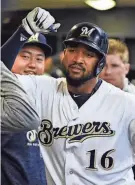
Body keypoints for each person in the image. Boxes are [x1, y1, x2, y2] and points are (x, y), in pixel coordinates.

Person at [1, 7, 135, 185]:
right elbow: (2, 73)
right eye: (72, 50)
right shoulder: (42, 87)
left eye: (88, 54)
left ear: (101, 63)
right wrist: (24, 32)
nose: (78, 59)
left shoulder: (127, 104)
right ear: (63, 55)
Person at [1, 33, 52, 185]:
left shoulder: (46, 96)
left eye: (39, 59)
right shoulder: (5, 102)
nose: (32, 64)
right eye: (24, 56)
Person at [99, 38, 135, 178]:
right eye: (103, 66)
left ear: (125, 68)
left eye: (114, 66)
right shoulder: (88, 98)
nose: (107, 72)